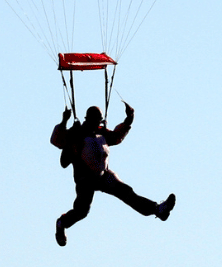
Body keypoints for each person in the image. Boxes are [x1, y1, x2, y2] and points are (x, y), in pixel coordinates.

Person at [50, 103, 175, 246]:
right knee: (82, 211)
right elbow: (56, 141)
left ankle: (157, 210)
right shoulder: (77, 133)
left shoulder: (101, 133)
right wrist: (64, 121)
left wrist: (129, 119)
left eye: (99, 121)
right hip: (85, 179)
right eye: (95, 121)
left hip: (103, 176)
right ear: (88, 120)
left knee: (126, 192)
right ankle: (61, 224)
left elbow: (116, 137)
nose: (97, 124)